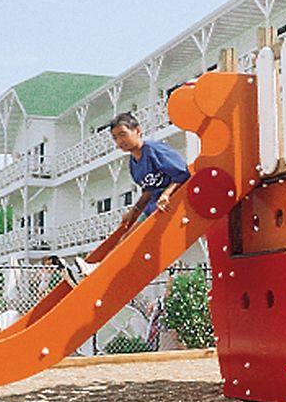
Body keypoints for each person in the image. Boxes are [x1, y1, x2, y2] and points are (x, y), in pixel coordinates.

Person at [50, 112, 191, 287]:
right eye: (115, 138)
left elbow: (183, 174)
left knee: (130, 240)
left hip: (168, 206)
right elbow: (147, 190)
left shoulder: (155, 150)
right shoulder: (133, 163)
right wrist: (133, 210)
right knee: (125, 238)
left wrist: (167, 194)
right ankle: (96, 269)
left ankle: (99, 270)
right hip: (151, 206)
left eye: (123, 134)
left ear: (138, 130)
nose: (119, 141)